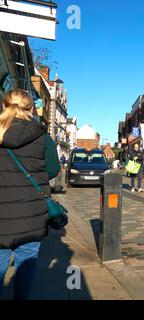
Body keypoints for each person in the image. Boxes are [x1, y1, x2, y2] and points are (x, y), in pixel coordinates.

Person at [0, 89, 60, 300]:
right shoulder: (42, 136)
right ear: (32, 109)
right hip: (32, 214)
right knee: (26, 264)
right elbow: (53, 170)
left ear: (4, 106)